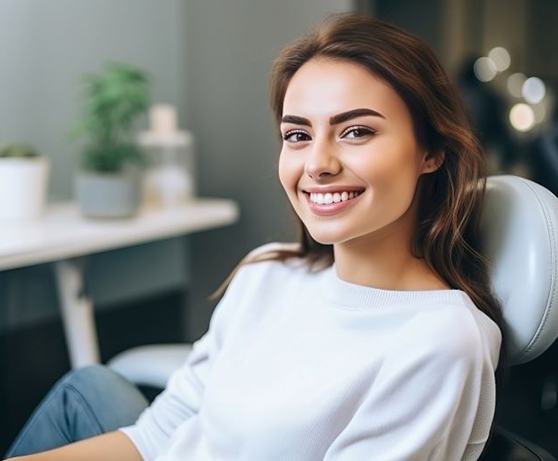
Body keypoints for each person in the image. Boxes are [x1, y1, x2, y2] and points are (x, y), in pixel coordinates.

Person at [4, 13, 506, 461]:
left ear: (431, 152)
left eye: (356, 132)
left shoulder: (439, 342)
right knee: (87, 387)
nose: (318, 164)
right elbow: (165, 432)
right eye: (298, 135)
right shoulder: (269, 270)